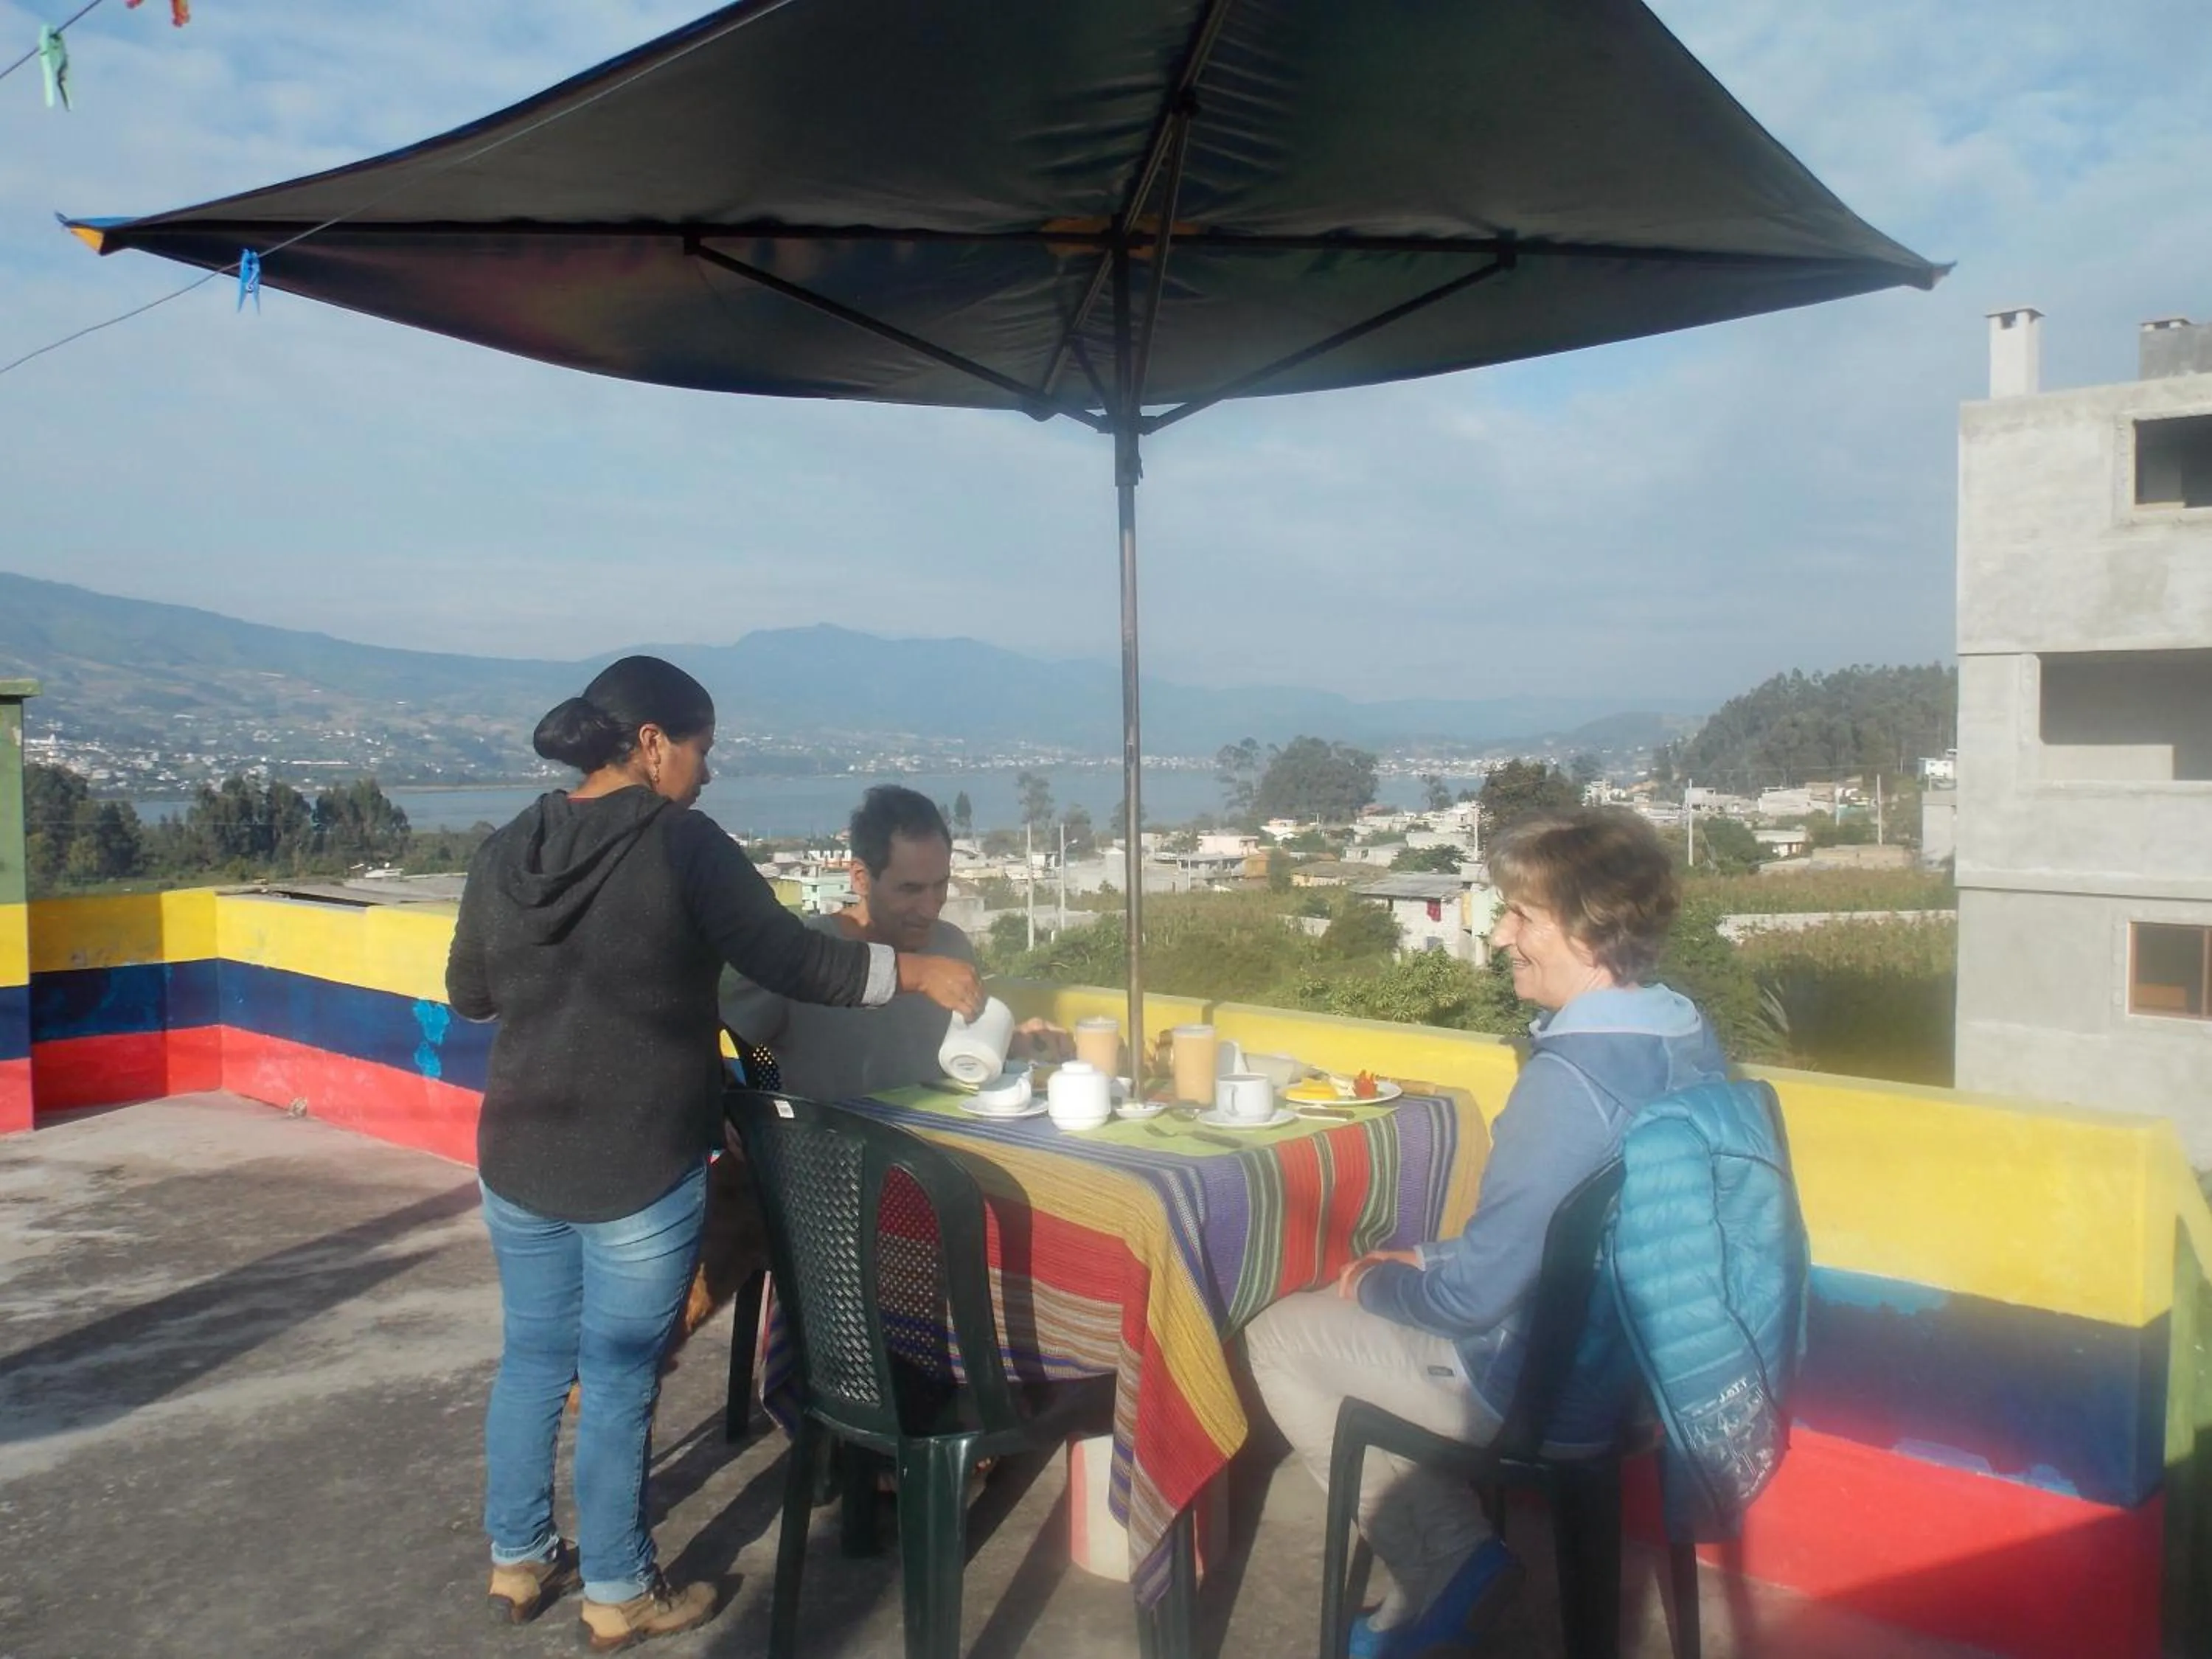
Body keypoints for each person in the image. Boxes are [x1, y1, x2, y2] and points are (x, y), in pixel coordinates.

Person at [445, 657, 983, 1651]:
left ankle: (518, 1559)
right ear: (651, 741)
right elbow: (797, 959)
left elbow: (472, 995)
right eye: (703, 747)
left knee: (531, 1356)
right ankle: (615, 1585)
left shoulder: (509, 844)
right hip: (637, 1160)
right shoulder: (683, 845)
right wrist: (913, 967)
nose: (709, 769)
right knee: (617, 1376)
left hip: (517, 1149)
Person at [1245, 808, 1725, 1659]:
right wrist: (1424, 1258)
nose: (1501, 935)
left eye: (1521, 917)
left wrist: (1379, 1281)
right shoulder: (1686, 1037)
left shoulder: (1567, 1084)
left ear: (1589, 930)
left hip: (1546, 1396)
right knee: (1378, 1306)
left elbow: (1471, 1301)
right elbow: (1565, 1235)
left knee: (1282, 1334)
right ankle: (1450, 1556)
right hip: (1647, 1377)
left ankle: (1446, 1562)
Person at [720, 783, 1066, 1100]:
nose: (931, 907)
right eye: (910, 889)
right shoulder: (806, 956)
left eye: (941, 885)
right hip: (834, 1160)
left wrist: (1013, 1042)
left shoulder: (952, 946)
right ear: (861, 878)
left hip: (938, 1153)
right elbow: (709, 1047)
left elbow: (957, 1053)